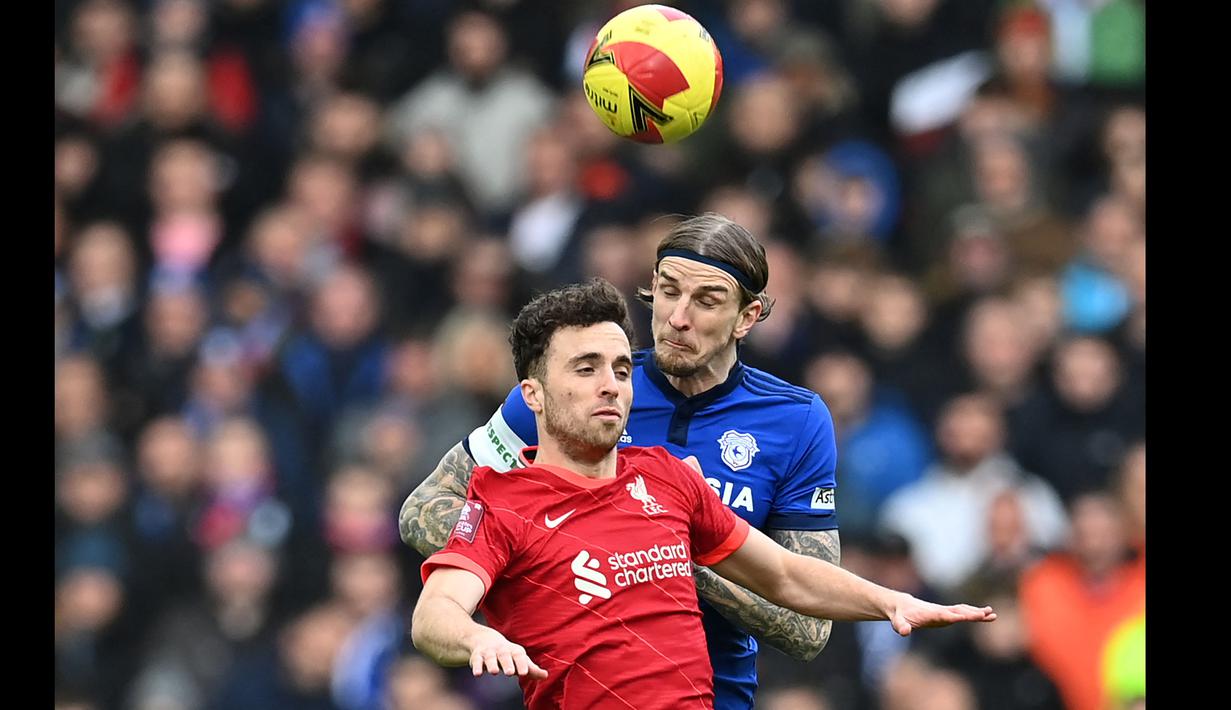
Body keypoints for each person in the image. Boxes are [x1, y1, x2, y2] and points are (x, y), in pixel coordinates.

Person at [411, 279, 996, 709]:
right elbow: (434, 614)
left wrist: (889, 602)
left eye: (620, 368)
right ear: (532, 396)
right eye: (585, 369)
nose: (612, 385)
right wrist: (475, 635)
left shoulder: (667, 477)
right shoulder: (502, 500)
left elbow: (786, 576)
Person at [401, 213, 845, 708]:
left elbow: (808, 628)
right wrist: (549, 559)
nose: (678, 316)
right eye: (669, 290)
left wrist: (662, 555)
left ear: (748, 316)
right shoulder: (580, 384)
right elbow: (423, 508)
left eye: (706, 301)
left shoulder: (796, 421)